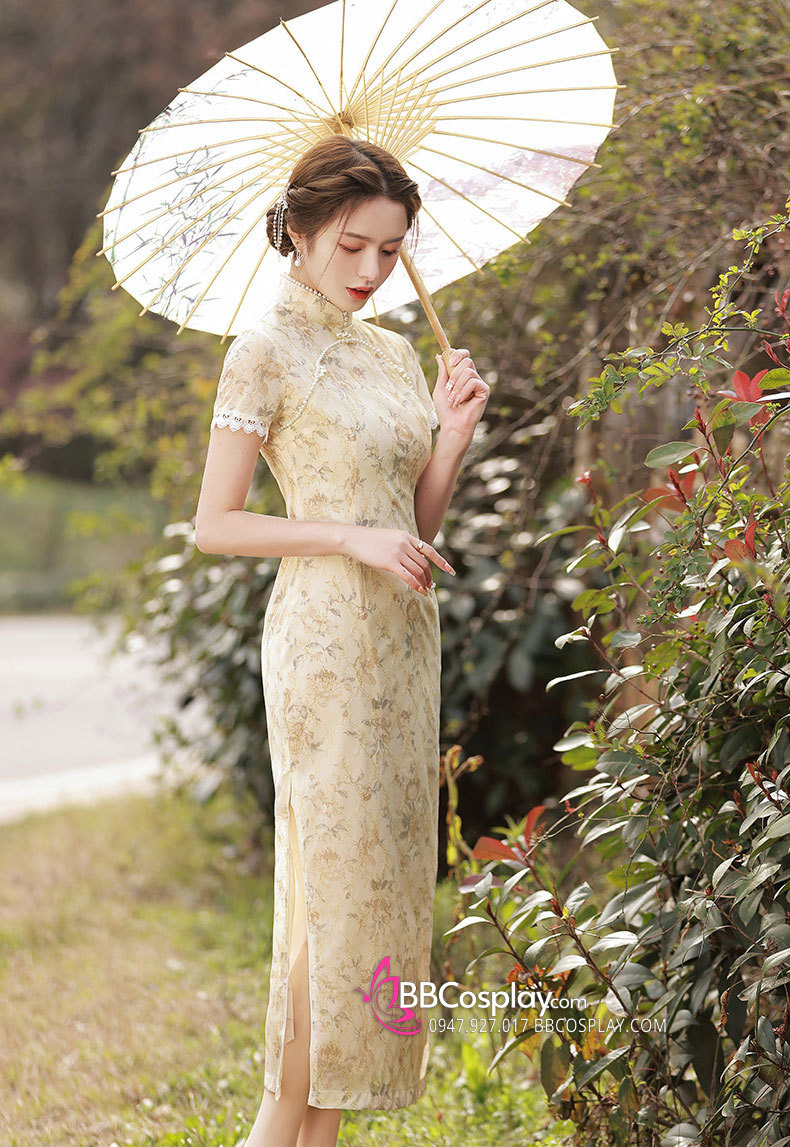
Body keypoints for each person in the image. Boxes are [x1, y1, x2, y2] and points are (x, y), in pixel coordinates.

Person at [195, 135, 489, 1147]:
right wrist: (348, 536)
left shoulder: (395, 352)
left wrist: (450, 436)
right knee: (328, 887)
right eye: (352, 246)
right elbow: (216, 523)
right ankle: (275, 1132)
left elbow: (414, 528)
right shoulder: (263, 347)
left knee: (379, 888)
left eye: (391, 251)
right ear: (301, 228)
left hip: (402, 643)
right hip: (324, 639)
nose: (371, 270)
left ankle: (316, 1135)